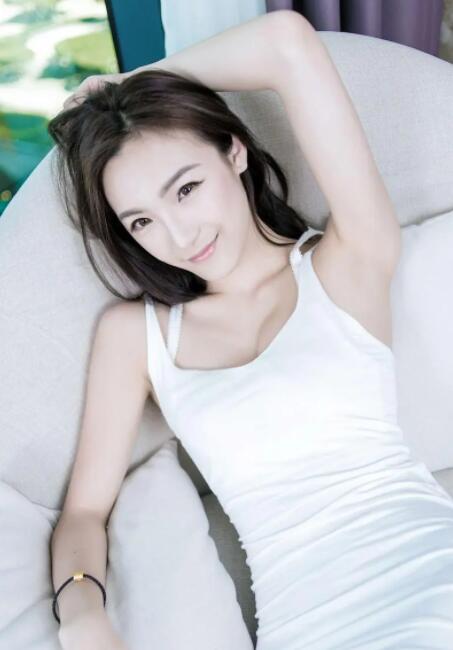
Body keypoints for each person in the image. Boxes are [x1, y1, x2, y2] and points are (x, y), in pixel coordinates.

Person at [48, 9, 453, 650]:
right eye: (141, 221)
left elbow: (287, 43)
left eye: (186, 189)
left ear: (233, 150)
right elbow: (83, 513)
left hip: (433, 580)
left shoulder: (349, 258)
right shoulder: (137, 338)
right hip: (307, 628)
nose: (180, 236)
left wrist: (127, 89)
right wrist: (82, 614)